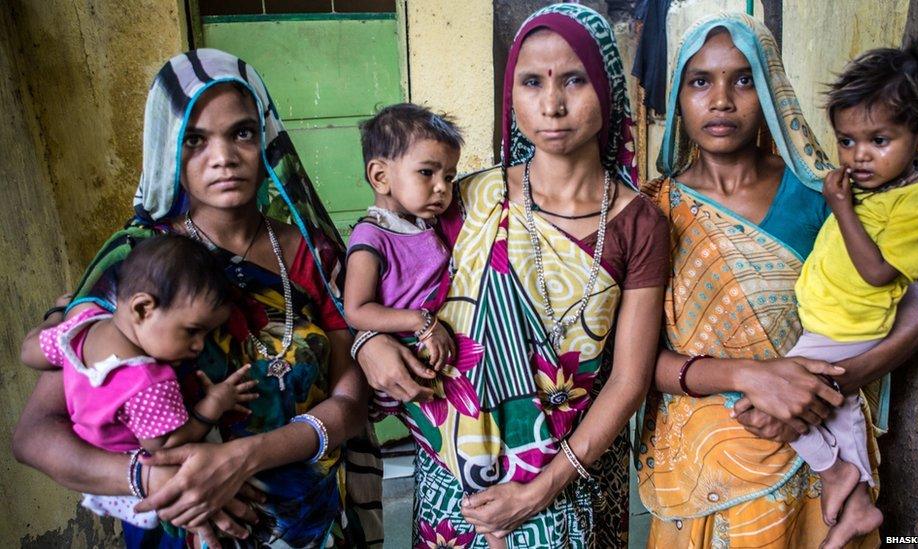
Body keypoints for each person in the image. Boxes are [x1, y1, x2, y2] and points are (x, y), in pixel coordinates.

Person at [13, 49, 380, 548]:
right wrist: (157, 479)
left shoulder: (314, 256)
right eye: (195, 140)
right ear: (168, 151)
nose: (223, 157)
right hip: (184, 526)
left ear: (265, 140)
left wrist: (242, 458)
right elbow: (35, 434)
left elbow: (350, 403)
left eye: (242, 133)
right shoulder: (137, 267)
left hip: (307, 523)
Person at [354, 4, 669, 548]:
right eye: (531, 82)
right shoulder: (468, 198)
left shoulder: (639, 223)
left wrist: (540, 490)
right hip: (457, 483)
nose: (551, 104)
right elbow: (386, 276)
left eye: (573, 79)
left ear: (606, 85)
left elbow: (628, 381)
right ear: (512, 94)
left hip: (573, 483)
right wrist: (368, 341)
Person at [635, 14, 918, 548]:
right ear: (678, 95)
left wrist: (827, 386)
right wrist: (755, 378)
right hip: (706, 469)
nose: (722, 99)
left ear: (773, 90)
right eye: (701, 81)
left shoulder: (827, 196)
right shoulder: (651, 211)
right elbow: (637, 362)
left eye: (744, 79)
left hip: (817, 476)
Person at [779, 39, 918, 549]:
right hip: (829, 322)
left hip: (849, 328)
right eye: (848, 142)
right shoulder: (875, 189)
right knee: (843, 407)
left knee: (782, 401)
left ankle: (835, 473)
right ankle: (860, 505)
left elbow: (877, 273)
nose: (859, 156)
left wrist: (842, 208)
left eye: (879, 140)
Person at [20, 235, 257, 533]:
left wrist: (56, 314)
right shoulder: (150, 381)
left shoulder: (81, 327)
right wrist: (214, 405)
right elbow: (165, 447)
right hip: (139, 478)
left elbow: (29, 352)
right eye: (193, 332)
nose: (198, 346)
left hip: (93, 464)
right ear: (143, 308)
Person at [343, 103, 462, 382]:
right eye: (426, 172)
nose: (442, 187)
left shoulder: (424, 223)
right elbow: (356, 311)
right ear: (381, 177)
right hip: (413, 356)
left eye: (449, 177)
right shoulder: (371, 237)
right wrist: (418, 320)